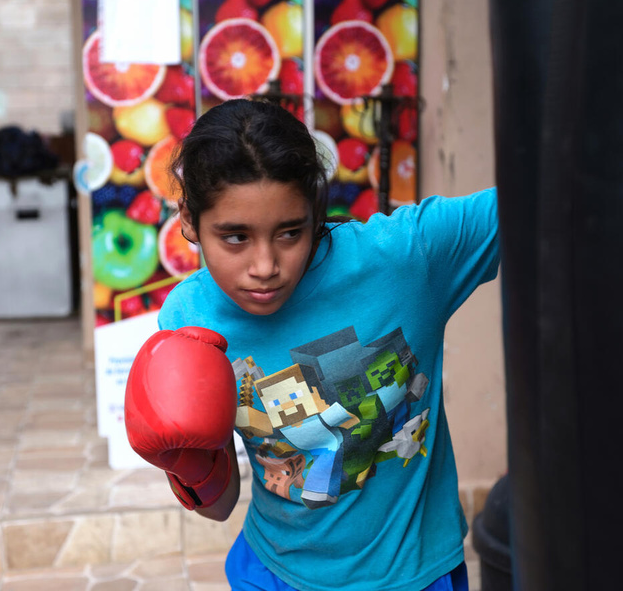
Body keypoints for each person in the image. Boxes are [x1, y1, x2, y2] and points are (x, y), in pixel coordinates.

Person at [125, 99, 500, 591]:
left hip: (412, 574)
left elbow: (552, 188)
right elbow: (219, 506)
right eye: (235, 237)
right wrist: (186, 464)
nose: (265, 266)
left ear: (315, 211)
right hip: (274, 572)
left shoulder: (407, 258)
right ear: (190, 222)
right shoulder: (189, 318)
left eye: (290, 233)